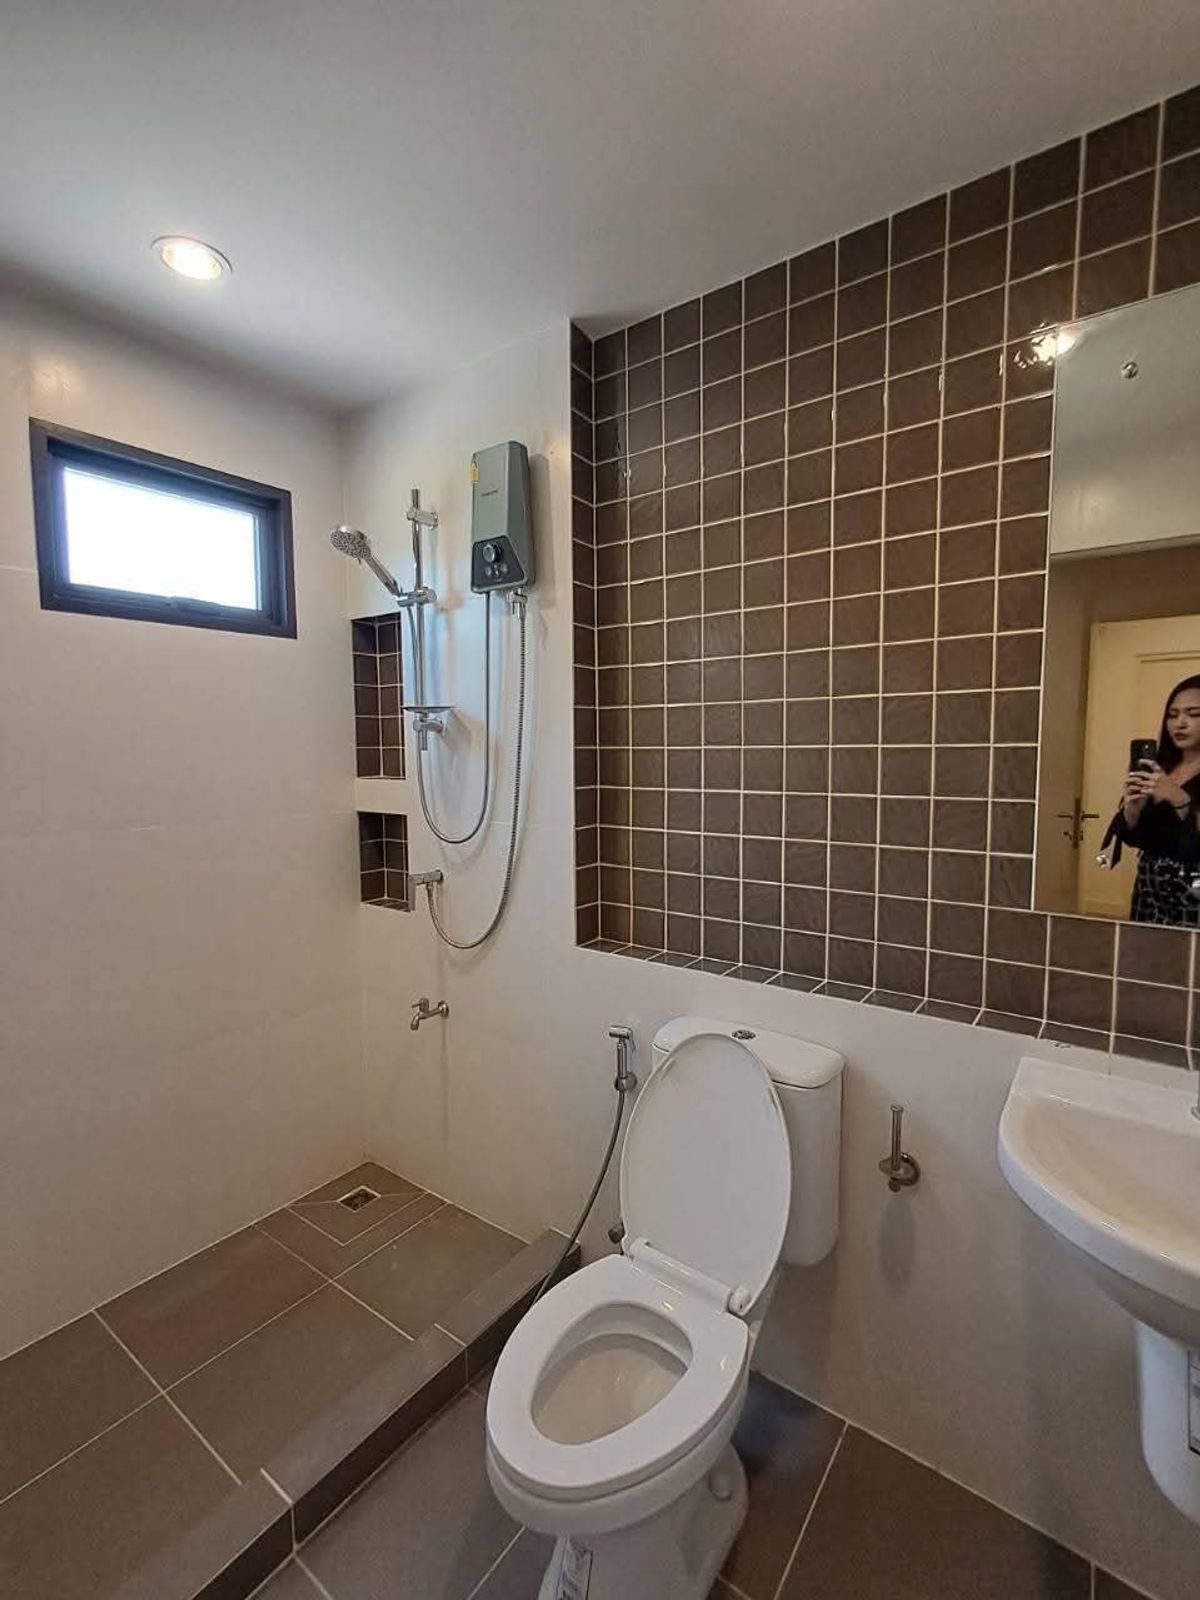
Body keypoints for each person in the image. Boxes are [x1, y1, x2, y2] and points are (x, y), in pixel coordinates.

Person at [1114, 675, 1200, 924]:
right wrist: (1133, 808)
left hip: (1193, 890)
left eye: (1193, 714)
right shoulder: (1160, 767)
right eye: (1172, 715)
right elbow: (1132, 838)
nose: (1180, 723)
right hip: (1149, 888)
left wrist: (1177, 796)